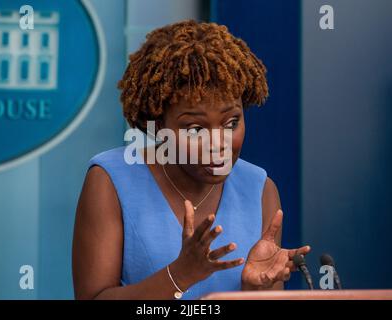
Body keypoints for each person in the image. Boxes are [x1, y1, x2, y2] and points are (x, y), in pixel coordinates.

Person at [72, 20, 310, 300]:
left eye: (231, 122)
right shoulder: (112, 179)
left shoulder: (260, 189)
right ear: (158, 126)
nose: (218, 143)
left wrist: (254, 291)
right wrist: (179, 276)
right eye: (195, 129)